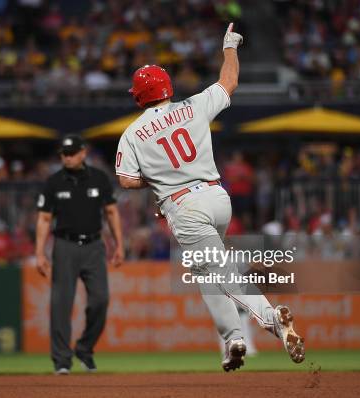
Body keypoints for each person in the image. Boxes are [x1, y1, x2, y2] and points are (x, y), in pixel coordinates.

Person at [115, 23, 305, 372]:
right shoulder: (193, 106)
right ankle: (233, 338)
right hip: (218, 199)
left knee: (218, 270)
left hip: (184, 206)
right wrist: (229, 45)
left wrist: (156, 180)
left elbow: (126, 181)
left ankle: (271, 319)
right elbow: (229, 81)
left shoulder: (132, 133)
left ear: (138, 95)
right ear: (167, 87)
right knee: (206, 273)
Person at [35, 135, 124, 375]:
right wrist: (39, 253)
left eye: (72, 152)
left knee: (100, 300)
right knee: (61, 305)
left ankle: (84, 348)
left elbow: (112, 212)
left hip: (94, 246)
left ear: (83, 152)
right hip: (65, 246)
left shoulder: (99, 178)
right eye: (64, 153)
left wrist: (119, 245)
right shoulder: (54, 182)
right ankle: (62, 361)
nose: (67, 157)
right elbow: (44, 219)